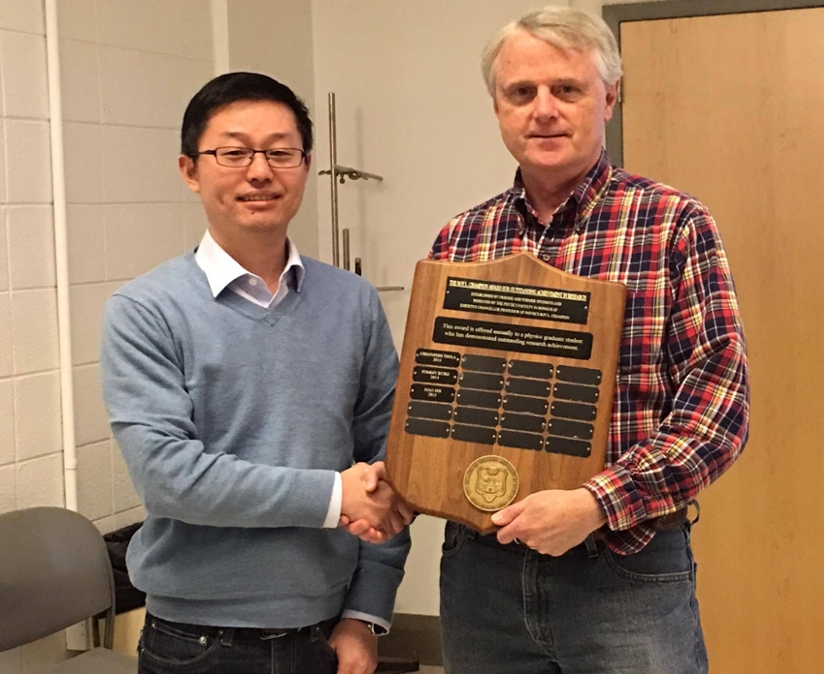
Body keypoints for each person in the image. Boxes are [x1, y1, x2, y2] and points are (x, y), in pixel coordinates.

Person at [430, 7, 749, 674]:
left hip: (625, 572)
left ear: (609, 95)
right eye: (521, 92)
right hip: (480, 574)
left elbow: (718, 411)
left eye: (566, 89)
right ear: (497, 106)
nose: (543, 110)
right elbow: (435, 400)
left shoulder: (672, 224)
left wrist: (594, 504)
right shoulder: (461, 239)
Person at [101, 72, 411, 674]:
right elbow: (169, 477)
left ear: (307, 164)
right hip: (195, 641)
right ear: (190, 170)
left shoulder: (352, 302)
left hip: (329, 630)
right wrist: (332, 494)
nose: (260, 171)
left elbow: (390, 463)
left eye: (280, 152)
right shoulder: (145, 310)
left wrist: (366, 613)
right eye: (234, 152)